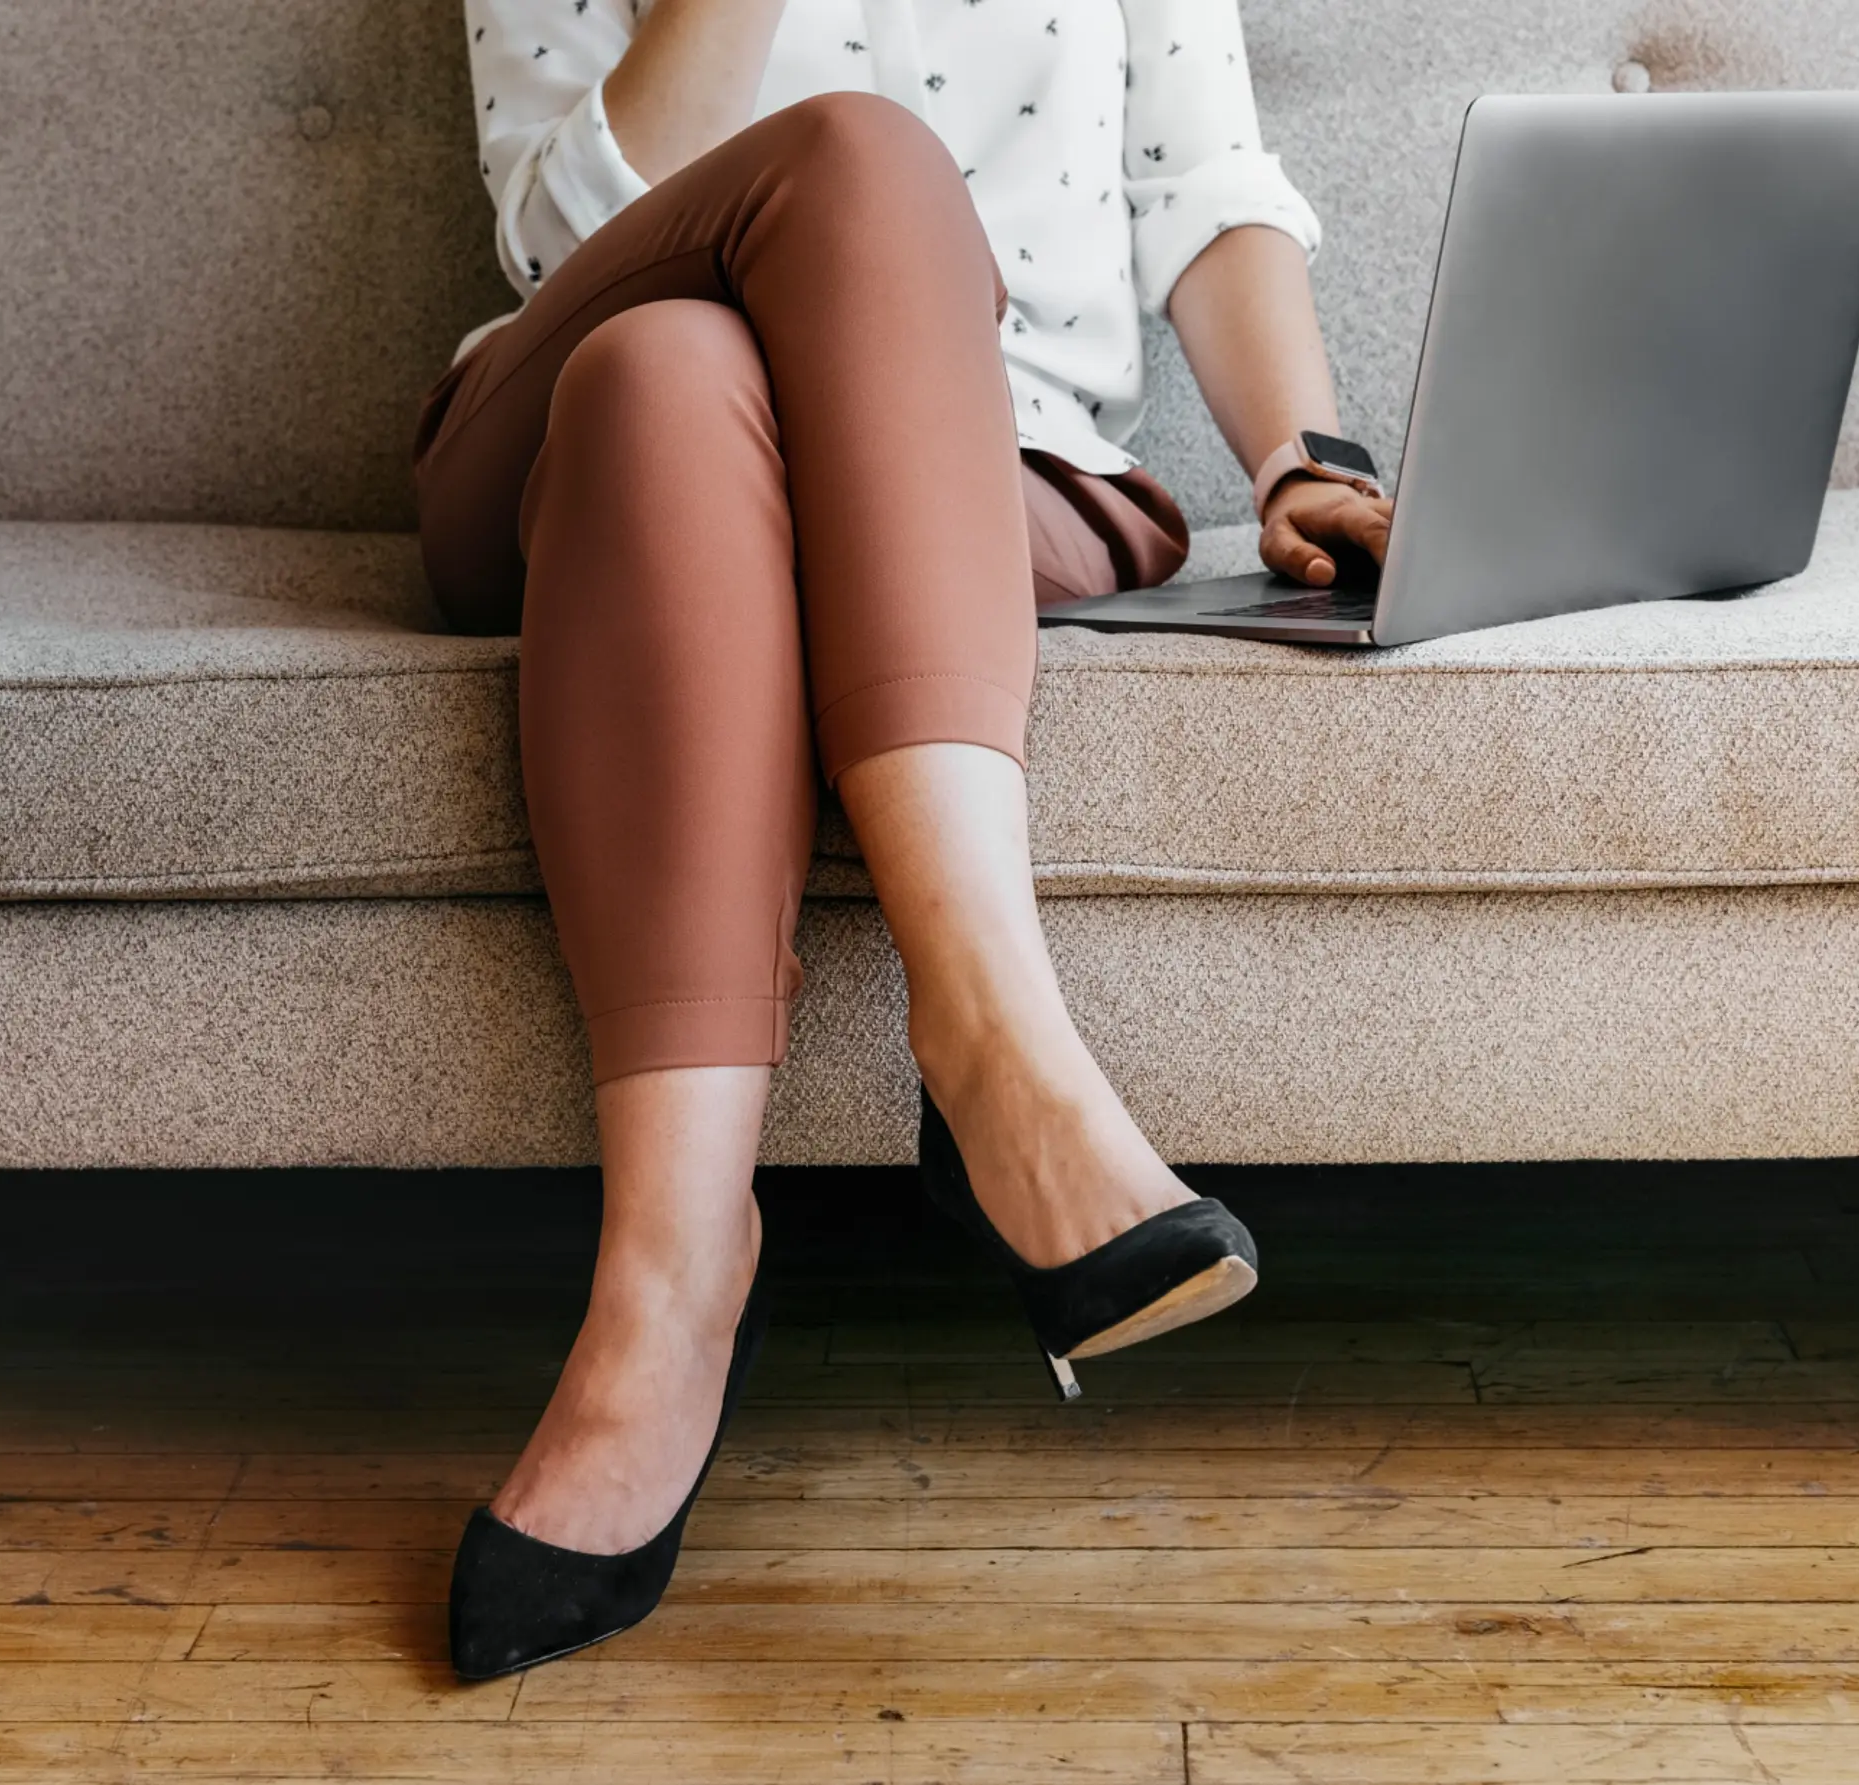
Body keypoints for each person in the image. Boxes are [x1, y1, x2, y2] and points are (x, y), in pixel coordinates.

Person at [415, 0, 1395, 1678]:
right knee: (739, 265)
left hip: (983, 464)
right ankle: (997, 1046)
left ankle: (671, 1283)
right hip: (555, 437)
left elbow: (1205, 179)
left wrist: (1301, 459)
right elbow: (565, 230)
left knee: (682, 377)